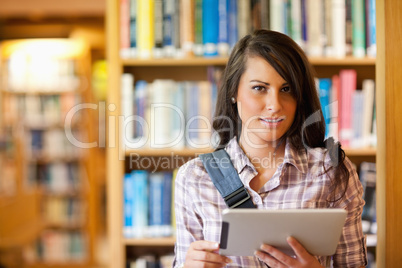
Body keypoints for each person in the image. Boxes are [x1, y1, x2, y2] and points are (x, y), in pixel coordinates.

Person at [173, 29, 367, 268]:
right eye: (259, 88)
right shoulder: (194, 178)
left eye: (286, 89)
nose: (275, 105)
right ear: (233, 91)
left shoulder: (332, 170)